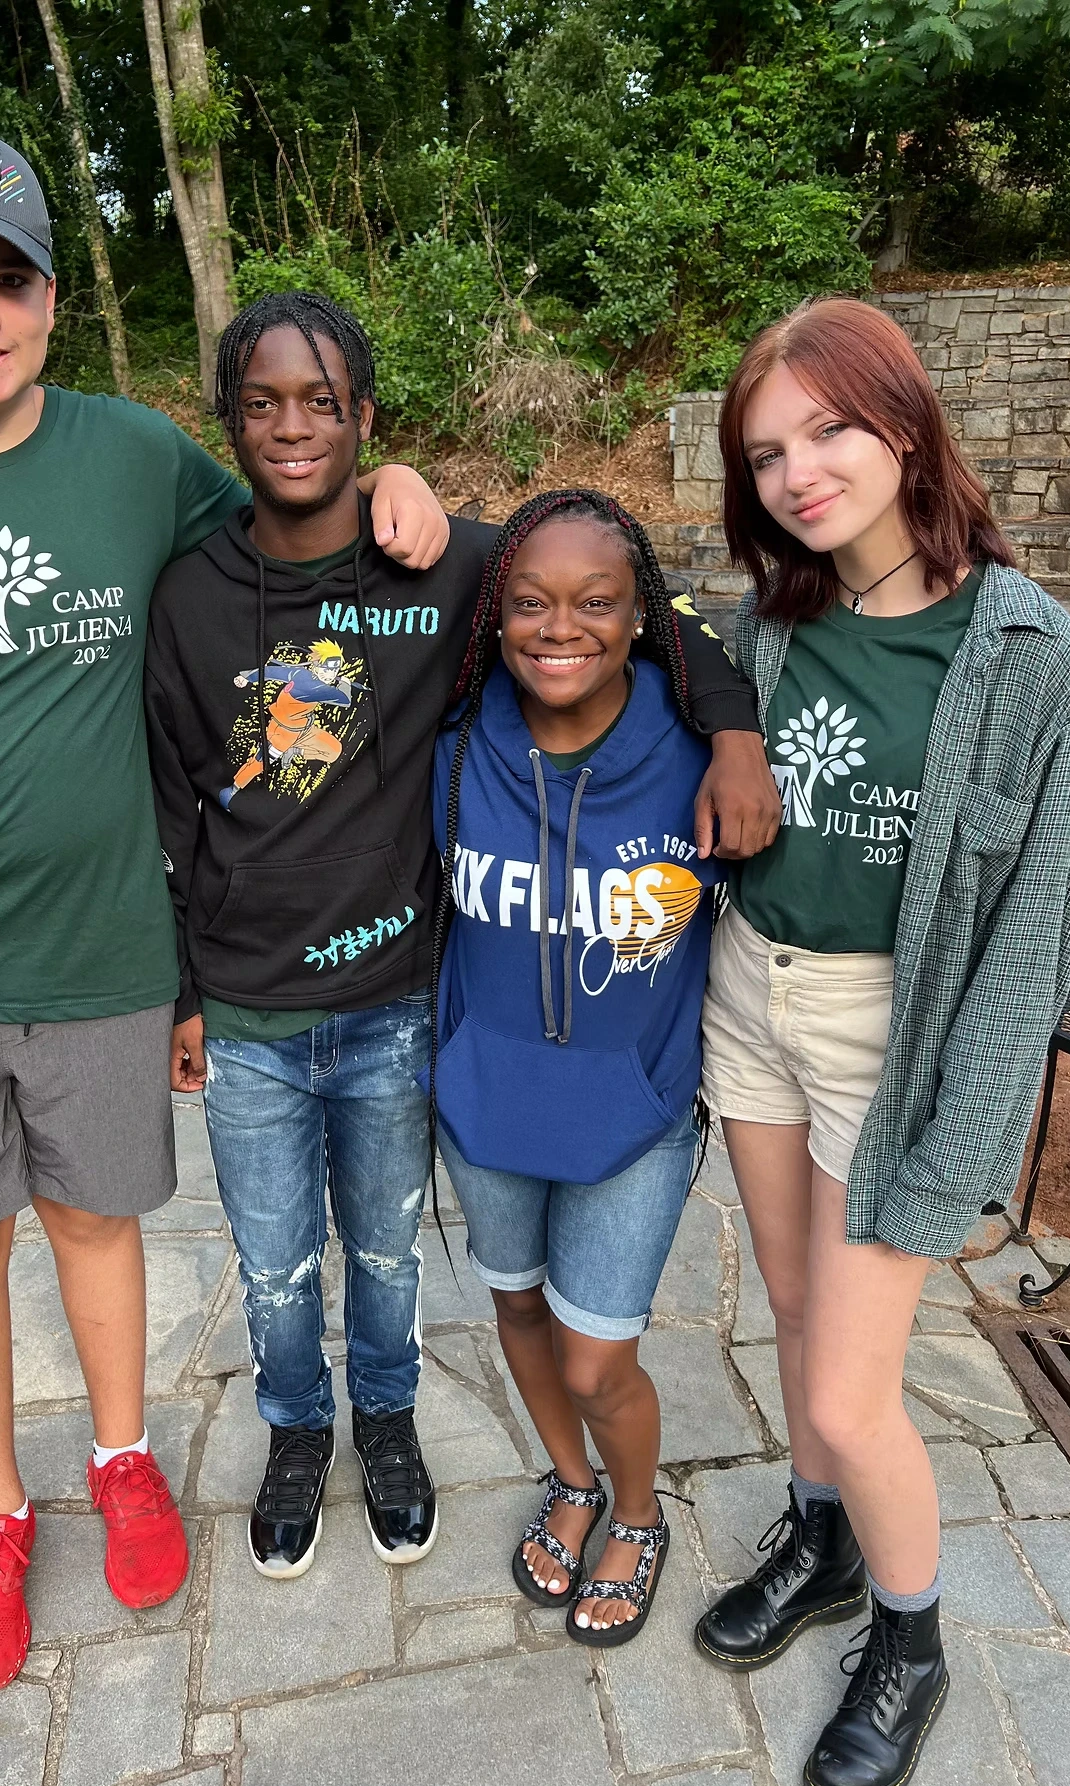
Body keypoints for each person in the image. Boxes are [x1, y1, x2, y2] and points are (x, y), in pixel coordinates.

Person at [0, 123, 450, 1696]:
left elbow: (299, 510)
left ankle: (124, 1457)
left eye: (8, 276)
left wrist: (400, 476)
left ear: (54, 299)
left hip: (100, 964)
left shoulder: (133, 458)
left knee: (97, 1223)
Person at [144, 292, 781, 1581]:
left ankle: (386, 1422)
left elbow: (647, 607)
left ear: (365, 417)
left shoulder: (454, 567)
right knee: (274, 1264)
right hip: (253, 1009)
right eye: (261, 402)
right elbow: (169, 806)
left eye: (325, 403)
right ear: (226, 419)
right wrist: (180, 987)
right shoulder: (192, 593)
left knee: (387, 1251)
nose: (293, 426)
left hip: (394, 1004)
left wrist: (734, 728)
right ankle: (294, 1430)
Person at [693, 297, 1070, 1786]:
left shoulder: (1026, 653)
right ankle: (820, 1543)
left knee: (861, 1391)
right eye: (766, 452)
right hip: (752, 997)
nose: (798, 472)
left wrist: (961, 1140)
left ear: (904, 421)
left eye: (828, 430)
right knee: (793, 1321)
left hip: (896, 1037)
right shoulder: (777, 618)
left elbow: (1025, 943)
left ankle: (913, 1637)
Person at [427, 488, 722, 1646]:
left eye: (598, 602)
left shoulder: (697, 746)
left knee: (601, 1358)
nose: (563, 627)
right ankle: (570, 1478)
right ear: (497, 615)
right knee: (517, 1312)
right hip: (487, 1103)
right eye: (534, 602)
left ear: (642, 612)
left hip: (630, 1116)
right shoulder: (457, 742)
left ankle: (637, 1511)